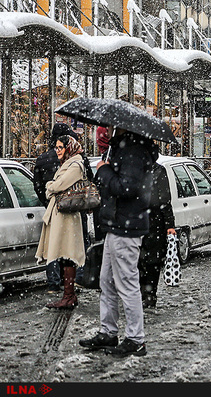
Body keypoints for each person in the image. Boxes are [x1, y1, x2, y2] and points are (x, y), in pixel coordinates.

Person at [79, 126, 157, 357]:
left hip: (127, 226)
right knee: (107, 281)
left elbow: (127, 187)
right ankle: (108, 331)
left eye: (112, 126)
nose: (108, 129)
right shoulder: (122, 149)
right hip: (117, 224)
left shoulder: (133, 152)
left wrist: (103, 171)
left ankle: (135, 339)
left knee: (126, 284)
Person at [35, 135, 87, 309]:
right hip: (62, 215)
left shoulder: (75, 164)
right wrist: (53, 186)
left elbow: (59, 185)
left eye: (60, 147)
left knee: (68, 254)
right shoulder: (68, 163)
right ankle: (68, 295)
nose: (57, 151)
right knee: (64, 254)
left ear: (69, 147)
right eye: (56, 147)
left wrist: (51, 185)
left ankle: (69, 295)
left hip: (67, 216)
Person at [138, 158, 176, 308]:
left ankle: (149, 293)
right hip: (140, 222)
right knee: (140, 260)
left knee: (152, 260)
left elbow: (165, 199)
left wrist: (169, 224)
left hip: (153, 223)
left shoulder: (158, 171)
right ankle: (144, 292)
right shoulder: (134, 170)